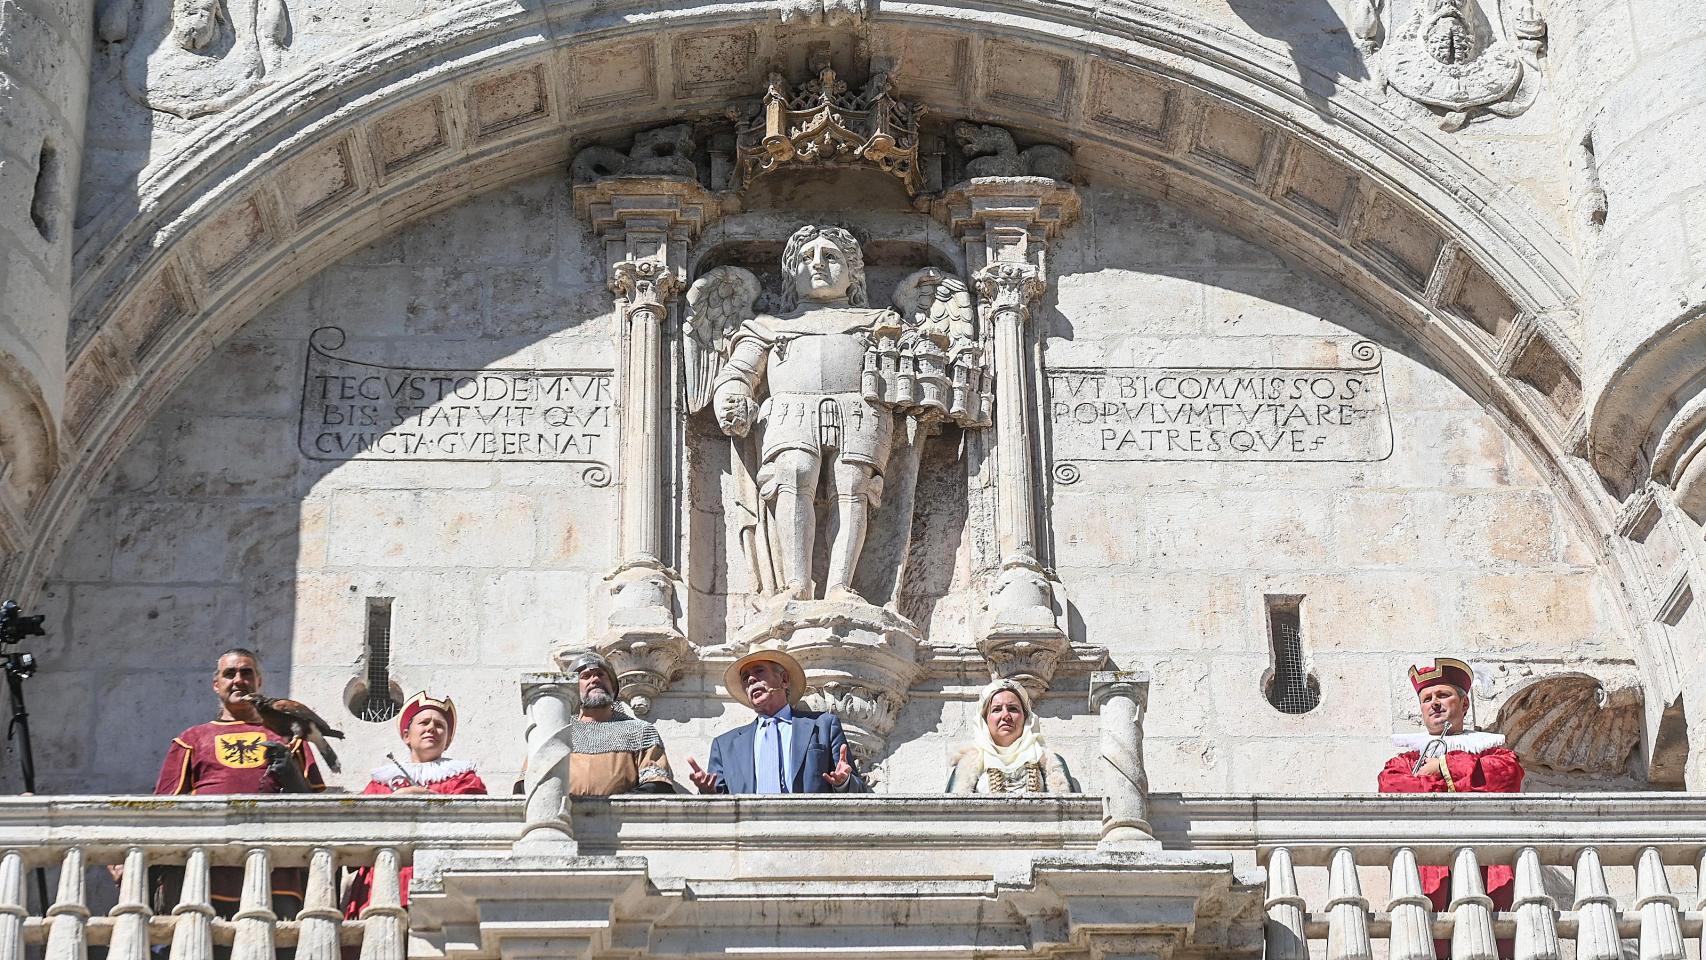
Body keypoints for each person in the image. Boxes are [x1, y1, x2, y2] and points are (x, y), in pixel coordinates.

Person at [153, 648, 324, 921]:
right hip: (206, 865)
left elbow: (320, 812)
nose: (238, 680)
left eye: (247, 673)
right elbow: (163, 807)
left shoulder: (288, 736)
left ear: (259, 682)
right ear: (216, 684)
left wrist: (293, 779)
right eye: (229, 673)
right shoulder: (192, 738)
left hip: (275, 866)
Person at [1378, 657, 1524, 957]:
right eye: (1427, 699)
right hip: (1429, 869)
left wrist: (1442, 766)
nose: (1434, 704)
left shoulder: (1490, 749)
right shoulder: (1406, 758)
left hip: (1487, 866)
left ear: (1464, 704)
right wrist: (1452, 778)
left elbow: (1506, 775)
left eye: (1443, 695)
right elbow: (1392, 785)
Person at [343, 692, 486, 919]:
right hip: (384, 882)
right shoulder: (380, 781)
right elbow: (357, 829)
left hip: (441, 881)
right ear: (407, 736)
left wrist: (414, 794)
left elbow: (470, 820)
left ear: (447, 740)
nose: (431, 728)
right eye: (424, 722)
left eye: (439, 725)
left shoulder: (464, 777)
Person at [686, 649, 866, 794]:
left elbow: (860, 793)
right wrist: (707, 791)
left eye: (759, 671)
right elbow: (720, 811)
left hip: (810, 834)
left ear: (784, 679)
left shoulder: (823, 726)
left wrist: (844, 783)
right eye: (745, 678)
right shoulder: (725, 745)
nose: (750, 679)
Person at [561, 651, 677, 795]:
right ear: (573, 689)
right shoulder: (558, 733)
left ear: (613, 687)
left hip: (621, 817)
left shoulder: (639, 731)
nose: (595, 679)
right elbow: (529, 784)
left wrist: (616, 809)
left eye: (601, 674)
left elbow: (657, 785)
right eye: (585, 676)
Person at [946, 678, 1076, 794]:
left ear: (1026, 717)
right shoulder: (967, 765)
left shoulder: (1049, 762)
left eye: (1013, 709)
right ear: (985, 720)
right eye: (997, 709)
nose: (1005, 716)